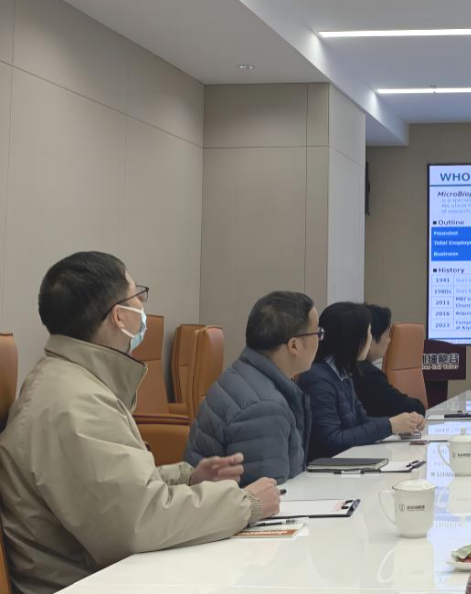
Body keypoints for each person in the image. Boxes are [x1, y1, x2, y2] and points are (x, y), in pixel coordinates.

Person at [0, 252, 280, 594]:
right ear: (119, 316)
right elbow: (137, 524)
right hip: (89, 583)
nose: (143, 308)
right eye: (138, 296)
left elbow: (113, 491)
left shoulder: (70, 383)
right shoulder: (74, 404)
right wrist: (245, 504)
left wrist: (188, 478)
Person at [185, 291, 318, 487]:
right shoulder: (265, 408)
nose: (320, 340)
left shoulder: (244, 374)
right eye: (317, 333)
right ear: (294, 345)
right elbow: (267, 497)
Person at [298, 302, 425, 458]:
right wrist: (390, 425)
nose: (370, 339)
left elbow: (362, 420)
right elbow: (331, 441)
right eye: (368, 333)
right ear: (354, 339)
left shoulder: (342, 374)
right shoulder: (318, 380)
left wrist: (403, 422)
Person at [355, 303, 427, 417]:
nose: (389, 340)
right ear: (370, 338)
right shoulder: (369, 375)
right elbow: (411, 407)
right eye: (387, 335)